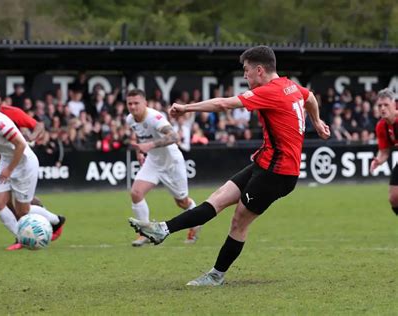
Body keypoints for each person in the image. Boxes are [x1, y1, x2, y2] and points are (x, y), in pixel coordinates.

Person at [128, 46, 330, 285]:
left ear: (259, 70)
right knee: (218, 198)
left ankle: (216, 275)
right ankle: (163, 229)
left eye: (246, 71)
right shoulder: (291, 86)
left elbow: (224, 104)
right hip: (264, 162)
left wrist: (186, 108)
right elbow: (309, 97)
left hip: (278, 173)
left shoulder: (271, 91)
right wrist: (316, 121)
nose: (245, 76)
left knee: (239, 221)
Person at [0, 93, 65, 250]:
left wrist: (9, 169)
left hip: (24, 163)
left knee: (23, 211)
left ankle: (56, 221)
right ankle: (21, 237)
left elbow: (21, 145)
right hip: (7, 160)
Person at [126, 89, 199, 246]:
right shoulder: (130, 120)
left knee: (182, 202)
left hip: (171, 162)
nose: (132, 107)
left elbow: (174, 137)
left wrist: (149, 145)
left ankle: (196, 223)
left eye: (136, 103)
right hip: (153, 160)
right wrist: (141, 151)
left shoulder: (155, 117)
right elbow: (141, 136)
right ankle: (144, 232)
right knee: (136, 193)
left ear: (145, 103)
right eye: (129, 103)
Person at [370, 88, 398, 216]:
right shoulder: (381, 126)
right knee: (394, 198)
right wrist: (378, 160)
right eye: (380, 105)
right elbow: (384, 151)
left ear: (394, 105)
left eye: (386, 105)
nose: (382, 108)